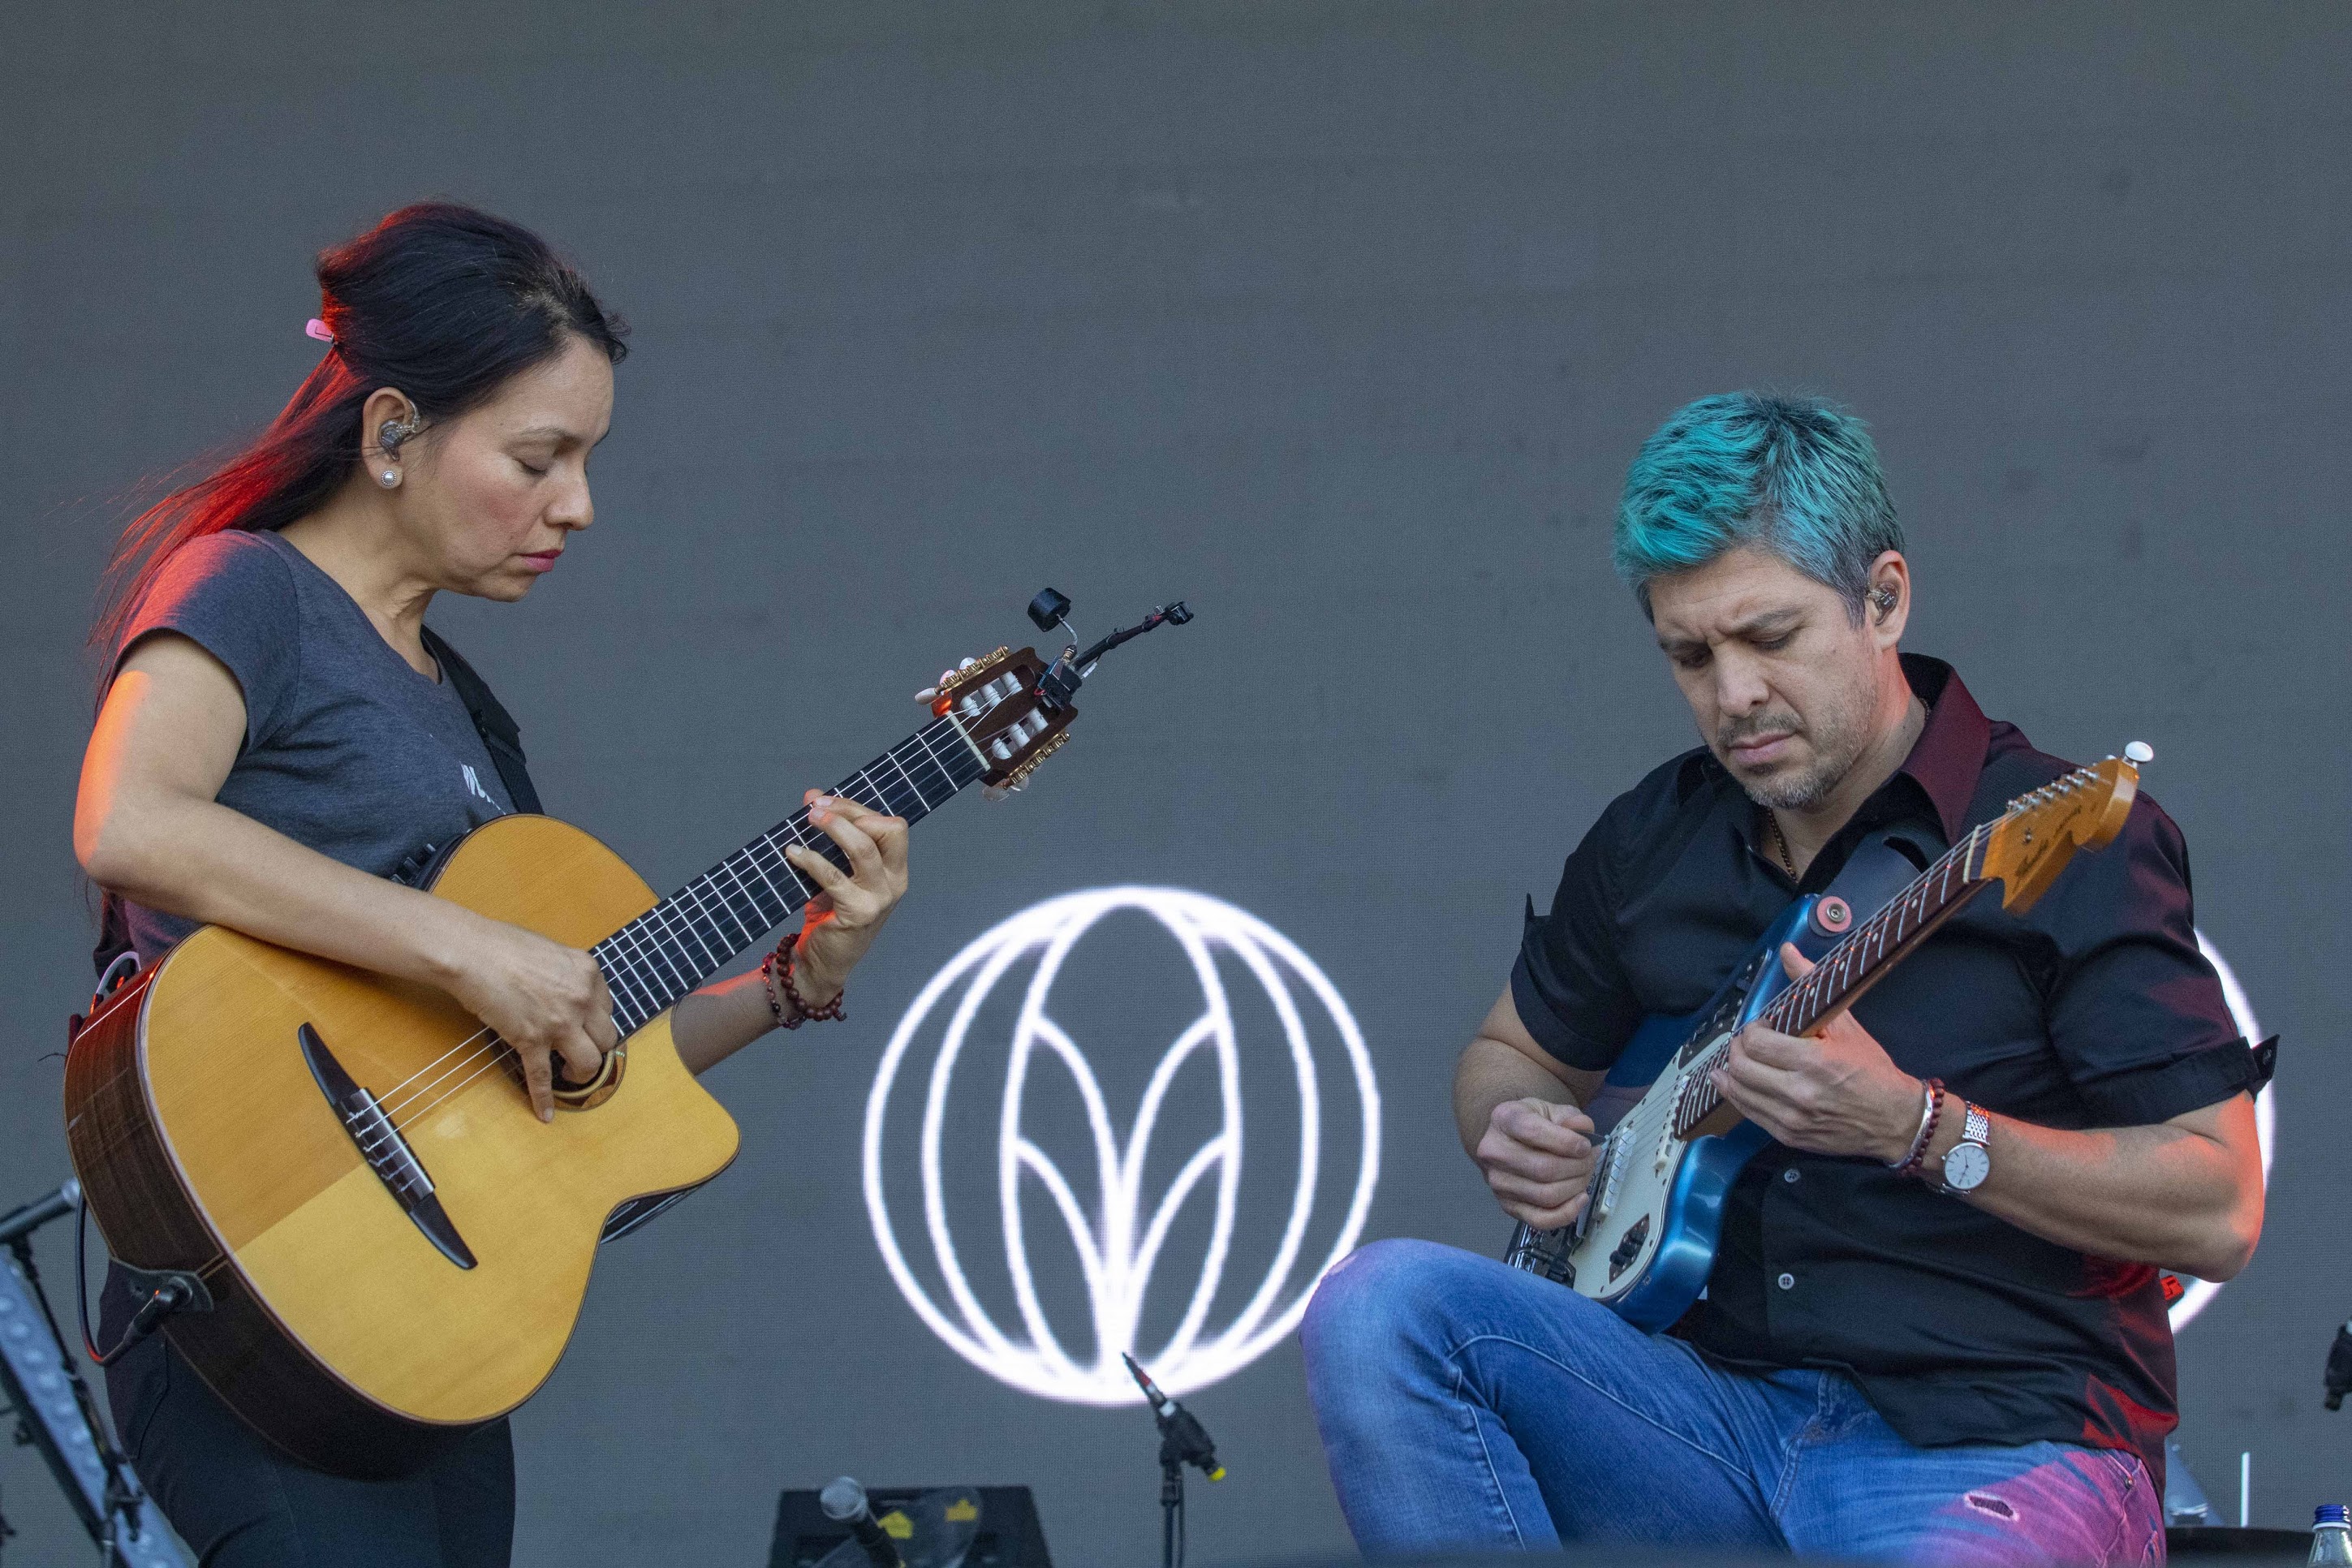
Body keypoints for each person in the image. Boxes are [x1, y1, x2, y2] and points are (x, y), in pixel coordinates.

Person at [71, 204, 911, 1566]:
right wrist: (467, 949)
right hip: (253, 1310)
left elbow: (576, 1062)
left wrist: (793, 983)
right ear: (394, 432)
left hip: (429, 1339)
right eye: (540, 457)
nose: (575, 504)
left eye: (583, 460)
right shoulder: (249, 591)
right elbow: (129, 820)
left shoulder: (470, 718)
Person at [1299, 393, 2266, 1565]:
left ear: (1884, 600)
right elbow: (1510, 1053)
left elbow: (2215, 1206)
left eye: (1770, 637)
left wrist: (1918, 1127)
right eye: (1689, 655)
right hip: (1702, 1415)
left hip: (1995, 1440)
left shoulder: (2065, 836)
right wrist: (1517, 1122)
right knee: (1382, 1308)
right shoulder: (1654, 836)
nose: (1733, 694)